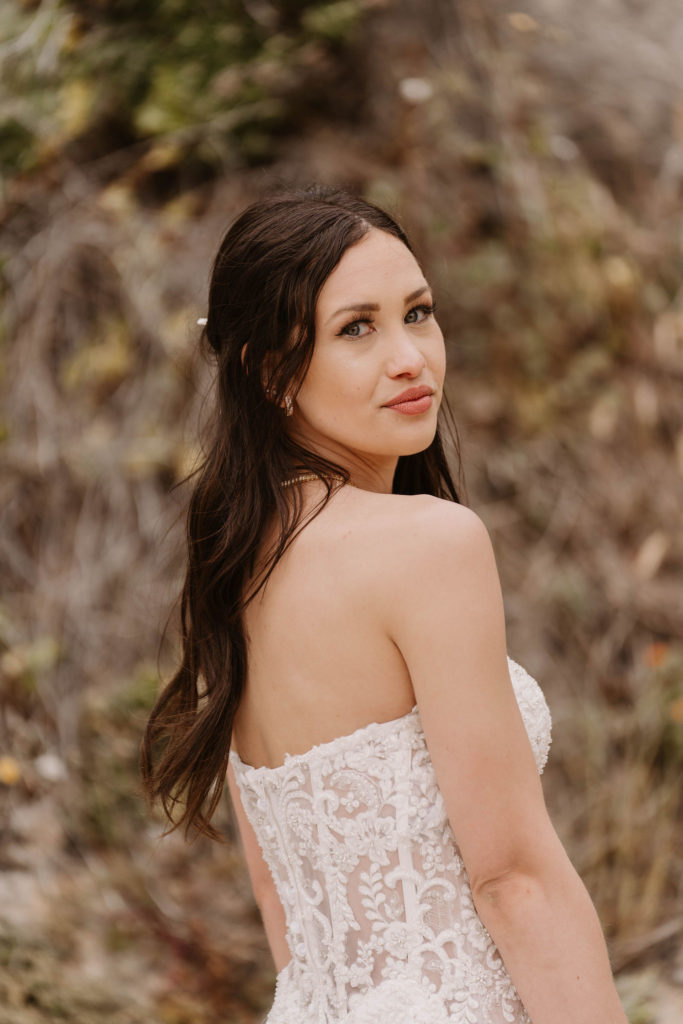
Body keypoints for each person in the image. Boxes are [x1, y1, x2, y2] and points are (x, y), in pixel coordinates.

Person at [141, 185, 627, 1024]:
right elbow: (512, 879)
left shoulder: (231, 558)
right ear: (268, 372)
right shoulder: (427, 545)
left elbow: (275, 885)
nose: (410, 357)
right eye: (355, 329)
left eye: (419, 313)